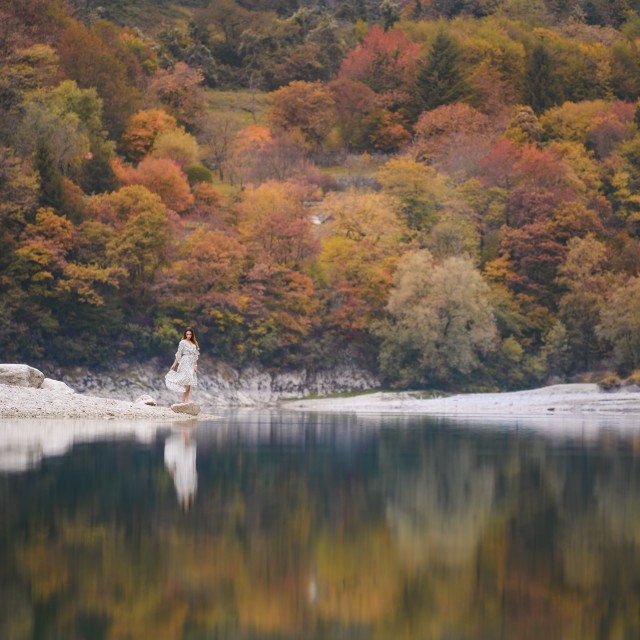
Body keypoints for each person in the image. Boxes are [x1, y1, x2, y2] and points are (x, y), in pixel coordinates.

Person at [164, 429, 197, 511]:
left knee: (185, 450)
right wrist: (193, 463)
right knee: (187, 450)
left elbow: (176, 479)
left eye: (185, 502)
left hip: (184, 468)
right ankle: (185, 432)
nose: (186, 499)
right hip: (186, 468)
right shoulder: (192, 489)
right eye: (186, 502)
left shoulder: (180, 490)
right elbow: (194, 476)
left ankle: (185, 432)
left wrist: (172, 469)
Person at [165, 327, 199, 403]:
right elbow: (179, 354)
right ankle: (186, 400)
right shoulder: (182, 342)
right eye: (187, 334)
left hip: (191, 363)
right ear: (185, 334)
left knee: (189, 381)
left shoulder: (194, 343)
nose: (189, 336)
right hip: (185, 362)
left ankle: (185, 400)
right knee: (186, 380)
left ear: (192, 334)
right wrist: (174, 364)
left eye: (190, 334)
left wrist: (195, 366)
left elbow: (195, 356)